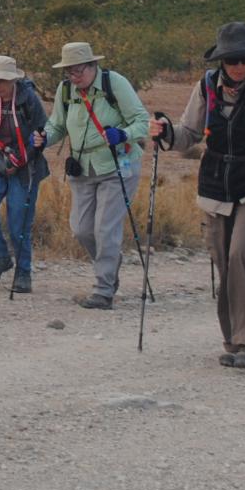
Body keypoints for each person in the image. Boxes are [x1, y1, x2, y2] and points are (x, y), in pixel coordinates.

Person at [156, 22, 245, 371]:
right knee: (224, 262)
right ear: (222, 61)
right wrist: (165, 134)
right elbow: (188, 134)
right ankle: (232, 340)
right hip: (216, 189)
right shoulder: (206, 87)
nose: (239, 67)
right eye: (233, 60)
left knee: (241, 256)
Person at [43, 41, 151, 311]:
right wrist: (42, 139)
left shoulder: (114, 84)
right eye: (68, 72)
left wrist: (123, 134)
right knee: (81, 229)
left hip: (117, 164)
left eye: (78, 71)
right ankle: (110, 264)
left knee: (105, 228)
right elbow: (57, 124)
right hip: (82, 167)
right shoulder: (66, 90)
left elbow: (142, 121)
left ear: (93, 66)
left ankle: (103, 290)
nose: (73, 77)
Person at [0, 55, 50, 293]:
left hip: (26, 169)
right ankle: (1, 257)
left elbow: (42, 135)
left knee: (19, 223)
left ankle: (23, 273)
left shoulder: (30, 101)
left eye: (2, 81)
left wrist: (22, 158)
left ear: (13, 80)